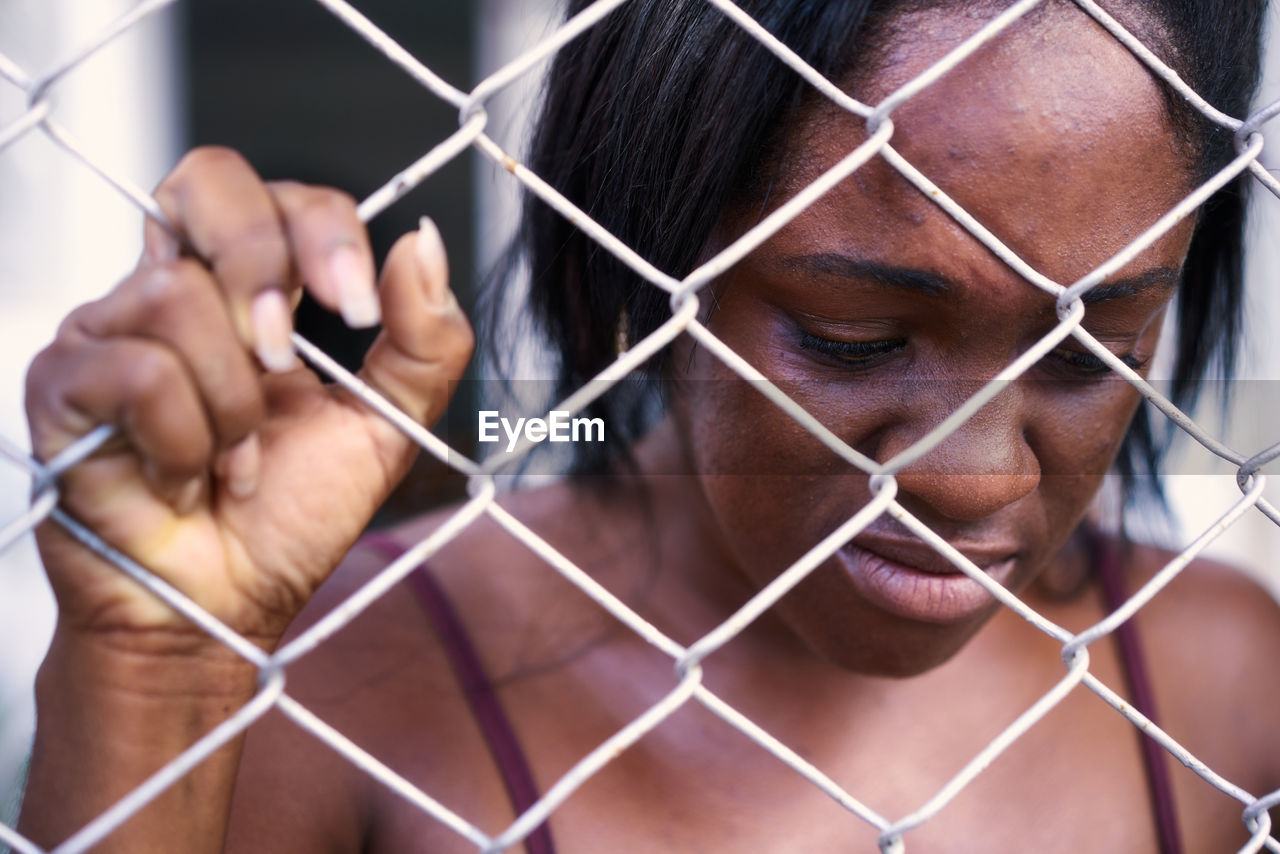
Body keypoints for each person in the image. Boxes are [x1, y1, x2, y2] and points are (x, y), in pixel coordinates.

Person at [15, 0, 1280, 850]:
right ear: (644, 261)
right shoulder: (345, 685)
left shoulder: (1211, 684)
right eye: (850, 337)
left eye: (1089, 350)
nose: (973, 475)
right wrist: (157, 672)